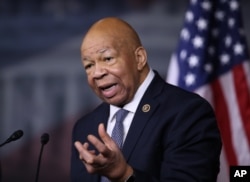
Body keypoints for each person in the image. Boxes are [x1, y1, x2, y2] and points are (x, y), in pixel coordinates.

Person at [70, 17, 222, 182]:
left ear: (139, 58)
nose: (97, 73)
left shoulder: (188, 112)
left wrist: (124, 175)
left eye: (107, 58)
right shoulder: (85, 127)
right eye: (89, 66)